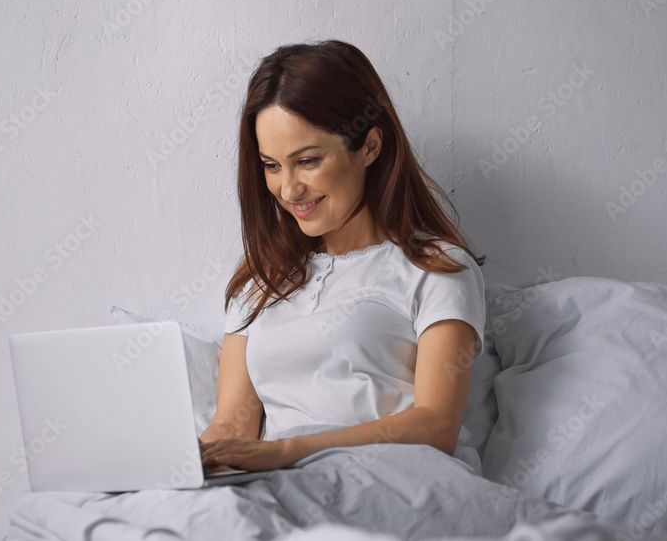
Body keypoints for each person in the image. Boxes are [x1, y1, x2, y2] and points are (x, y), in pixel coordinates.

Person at [198, 39, 487, 475]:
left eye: (308, 161)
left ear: (370, 146)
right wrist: (180, 463)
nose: (289, 190)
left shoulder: (436, 269)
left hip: (396, 482)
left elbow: (436, 425)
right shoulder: (261, 283)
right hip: (279, 491)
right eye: (271, 166)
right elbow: (232, 426)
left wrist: (284, 453)